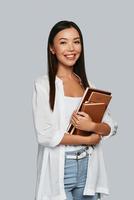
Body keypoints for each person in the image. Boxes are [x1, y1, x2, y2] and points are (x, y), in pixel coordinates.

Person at [32, 20, 118, 200]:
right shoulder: (44, 85)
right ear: (52, 48)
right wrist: (90, 138)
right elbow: (45, 135)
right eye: (63, 42)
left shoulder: (87, 85)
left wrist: (92, 126)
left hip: (89, 167)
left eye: (76, 41)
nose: (71, 48)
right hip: (60, 169)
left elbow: (111, 126)